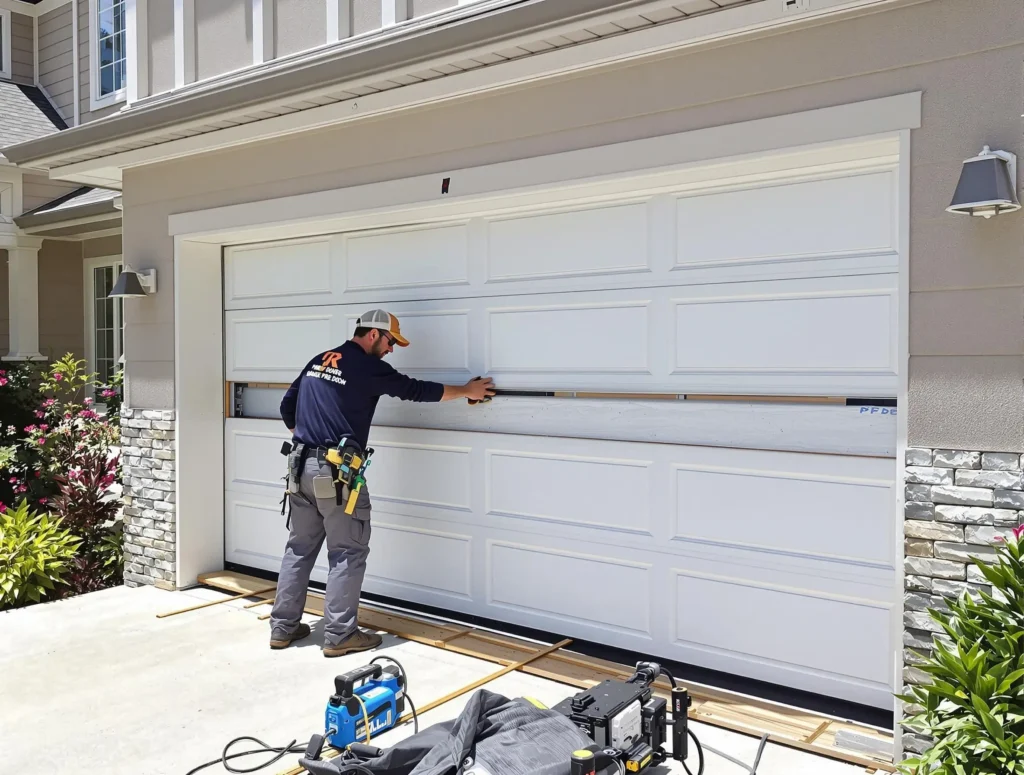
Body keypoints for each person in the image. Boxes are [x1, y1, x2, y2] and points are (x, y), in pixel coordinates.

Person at [269, 309, 495, 656]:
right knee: (347, 551)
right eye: (391, 341)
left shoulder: (319, 361)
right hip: (336, 475)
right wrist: (466, 390)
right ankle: (340, 635)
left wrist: (311, 443)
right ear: (373, 335)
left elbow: (287, 407)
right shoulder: (365, 366)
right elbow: (415, 390)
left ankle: (283, 629)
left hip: (300, 470)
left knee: (299, 548)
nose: (392, 349)